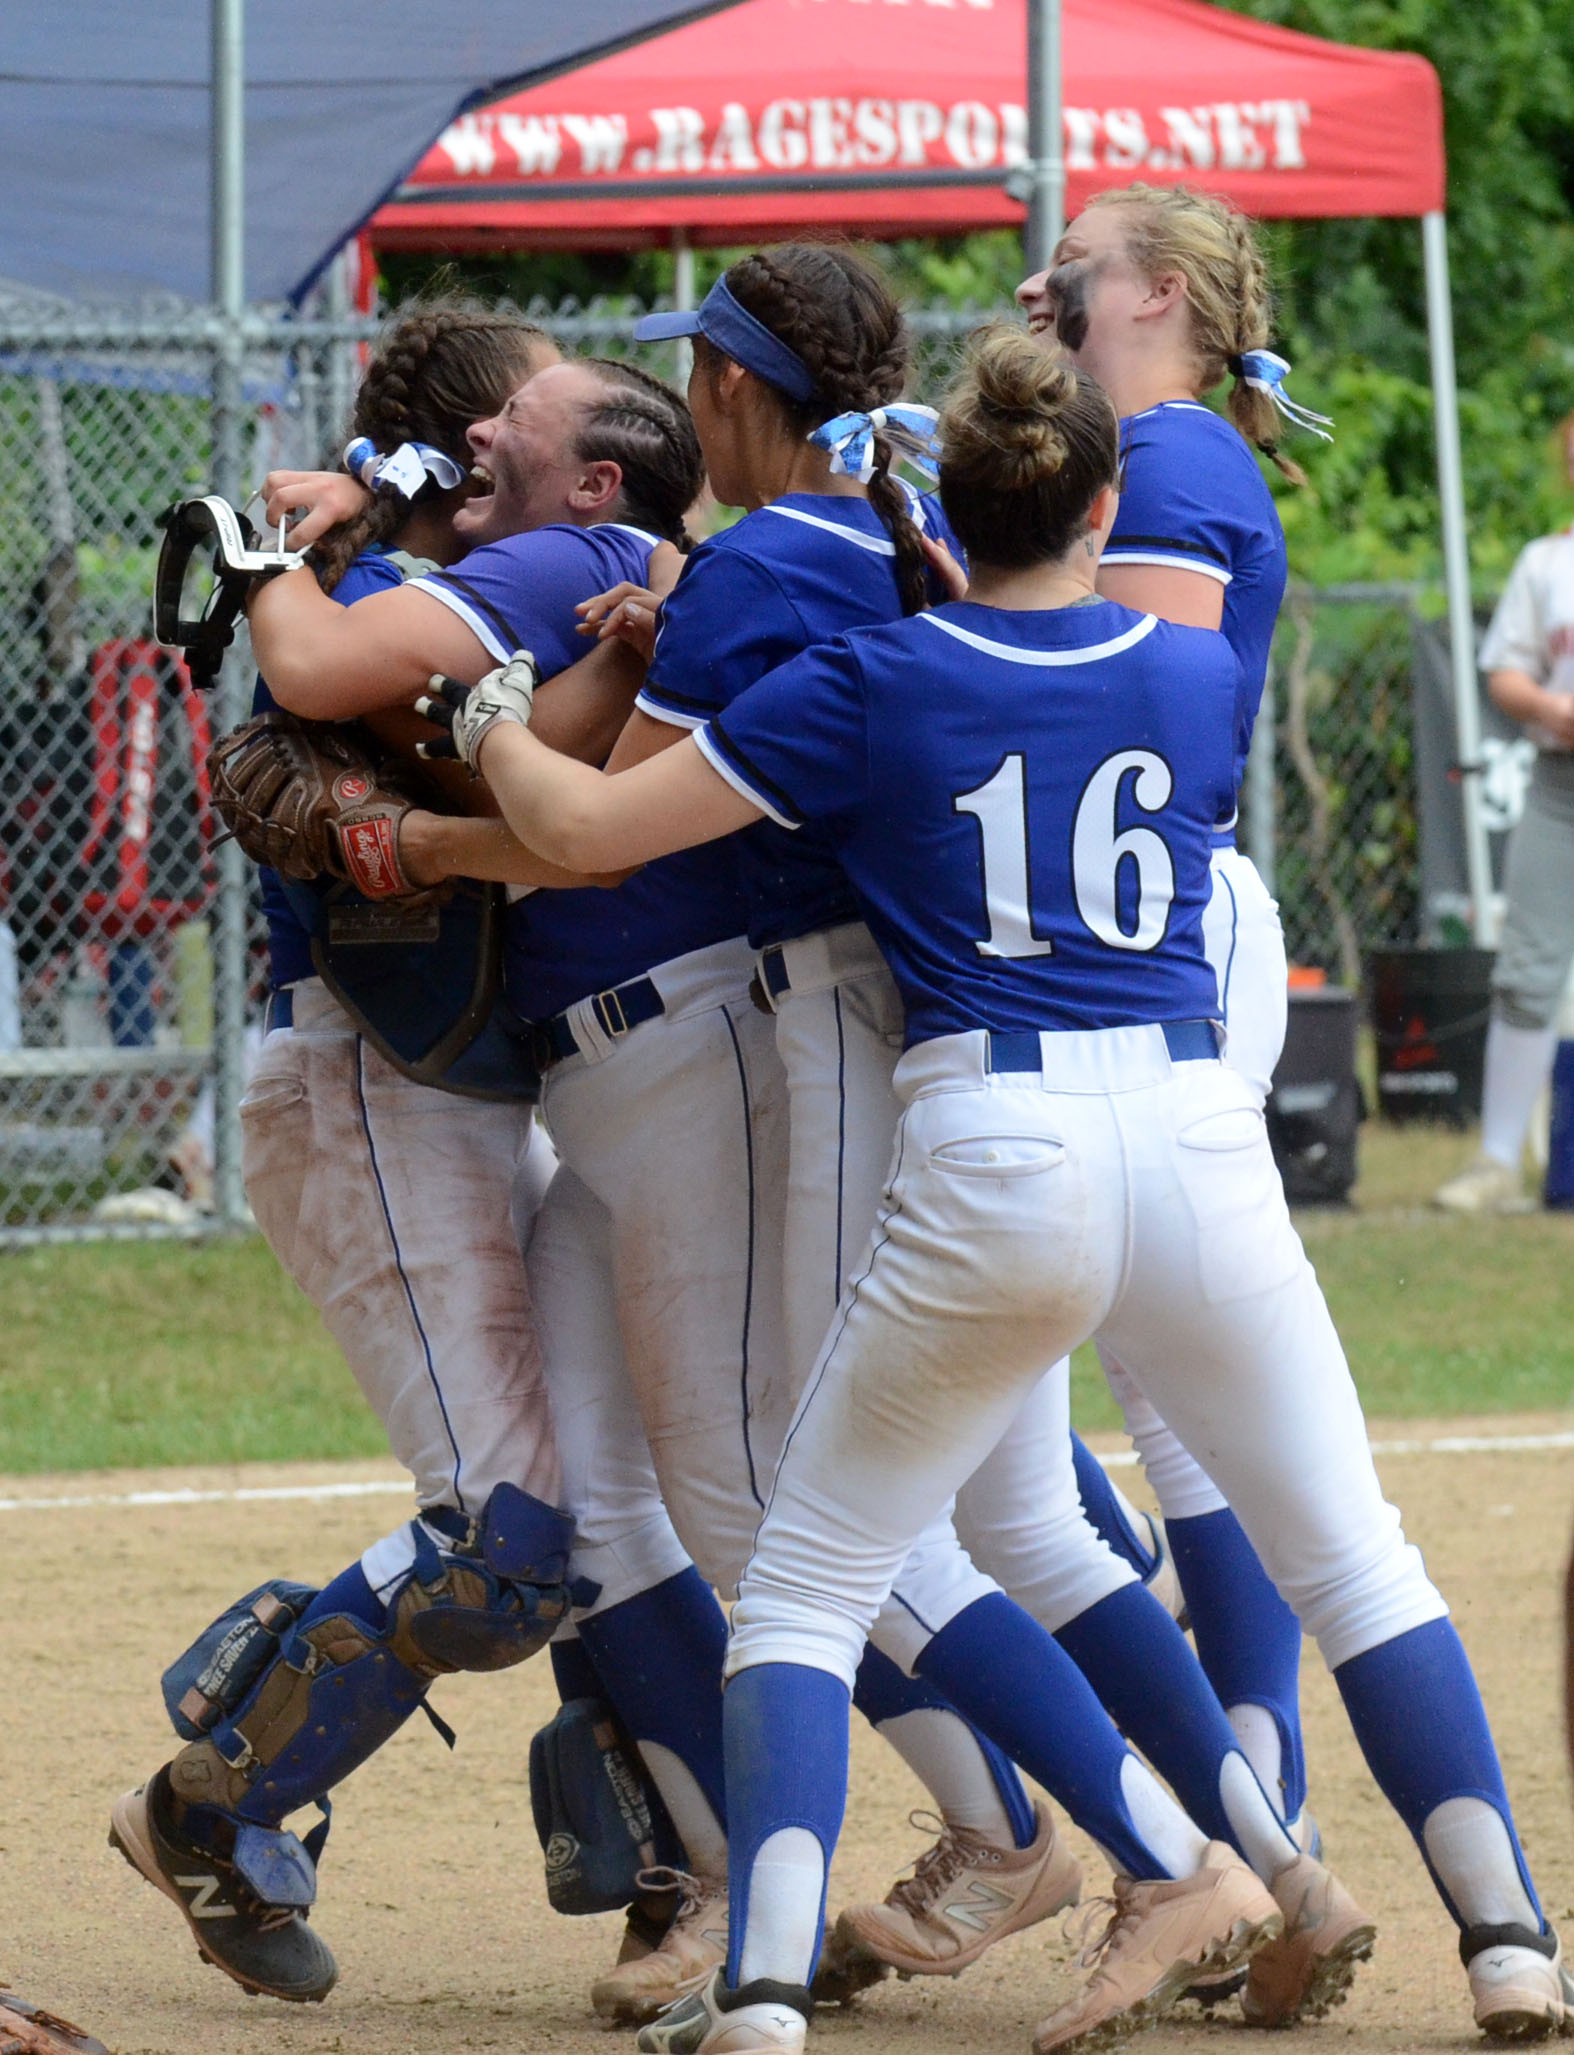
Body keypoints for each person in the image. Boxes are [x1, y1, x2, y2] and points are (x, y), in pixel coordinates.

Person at [462, 327, 1567, 2054]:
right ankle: (1506, 1946)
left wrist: (487, 725)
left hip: (994, 1147)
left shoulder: (878, 676)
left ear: (938, 511)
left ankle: (764, 1994)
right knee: (1358, 1563)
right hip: (1194, 1140)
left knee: (808, 1579)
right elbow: (1070, 693)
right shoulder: (1189, 672)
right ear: (1101, 507)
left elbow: (586, 830)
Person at [586, 243, 1358, 2028]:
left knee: (821, 1513)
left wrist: (448, 779)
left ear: (728, 385)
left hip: (881, 1043)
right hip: (997, 1048)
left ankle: (1118, 1855)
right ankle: (1262, 1857)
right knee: (1024, 1516)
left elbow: (596, 825)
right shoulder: (896, 533)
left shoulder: (795, 547)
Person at [108, 304, 692, 2010]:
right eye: (516, 413)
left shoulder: (430, 596)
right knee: (506, 1542)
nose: (528, 443)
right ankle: (208, 1802)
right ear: (469, 448)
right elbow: (358, 752)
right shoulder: (380, 606)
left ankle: (674, 1853)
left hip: (456, 1097)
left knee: (587, 1509)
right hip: (363, 1088)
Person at [1005, 180, 1324, 1883]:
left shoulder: (1174, 457)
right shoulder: (1129, 446)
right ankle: (1246, 1785)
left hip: (1166, 926)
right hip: (1135, 924)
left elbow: (1107, 701)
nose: (1045, 281)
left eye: (1078, 262)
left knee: (1171, 1374)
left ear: (1159, 298)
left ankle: (1256, 1785)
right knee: (1139, 1365)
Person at [1436, 418, 1574, 1213]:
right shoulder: (1547, 562)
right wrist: (1556, 707)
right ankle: (1498, 1162)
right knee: (1527, 972)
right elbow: (1506, 672)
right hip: (1560, 783)